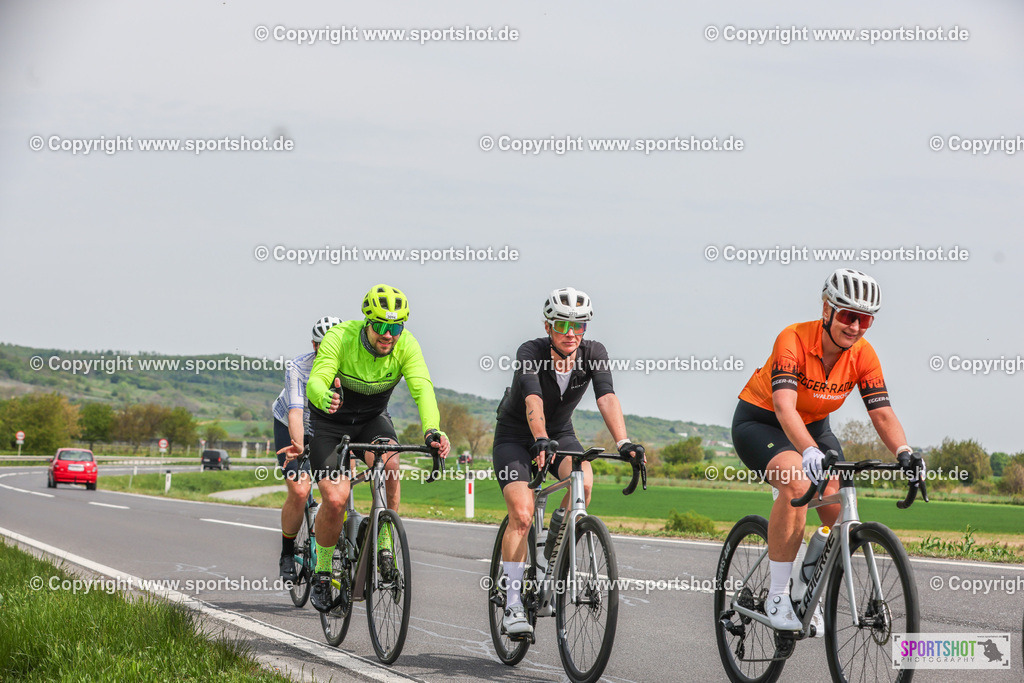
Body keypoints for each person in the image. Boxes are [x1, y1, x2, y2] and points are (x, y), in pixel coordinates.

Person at [732, 268, 916, 633]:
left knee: (839, 510)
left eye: (866, 319)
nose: (856, 327)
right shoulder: (793, 339)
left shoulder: (863, 354)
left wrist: (905, 452)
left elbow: (880, 411)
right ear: (827, 309)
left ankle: (807, 578)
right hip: (762, 422)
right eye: (849, 316)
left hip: (816, 428)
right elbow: (785, 408)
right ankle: (778, 595)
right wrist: (808, 452)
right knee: (797, 484)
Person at [492, 287, 645, 637]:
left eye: (579, 326)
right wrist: (539, 439)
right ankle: (513, 602)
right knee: (522, 512)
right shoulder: (530, 351)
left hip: (560, 432)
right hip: (517, 436)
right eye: (563, 325)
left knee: (585, 482)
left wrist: (622, 442)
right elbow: (532, 398)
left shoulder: (594, 353)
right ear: (548, 327)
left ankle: (549, 552)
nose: (571, 334)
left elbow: (606, 396)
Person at [302, 284, 451, 612]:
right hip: (330, 421)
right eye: (381, 326)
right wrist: (322, 396)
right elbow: (316, 379)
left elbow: (422, 388)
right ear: (367, 322)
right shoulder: (340, 338)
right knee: (336, 498)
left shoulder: (407, 345)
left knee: (392, 466)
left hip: (371, 420)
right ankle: (324, 571)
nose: (388, 335)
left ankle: (384, 544)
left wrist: (432, 429)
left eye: (395, 327)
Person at [272, 315, 340, 583]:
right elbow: (296, 412)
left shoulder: (352, 369)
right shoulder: (299, 367)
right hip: (293, 425)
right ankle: (287, 553)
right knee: (300, 491)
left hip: (328, 430)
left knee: (338, 493)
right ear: (314, 346)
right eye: (324, 346)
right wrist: (299, 446)